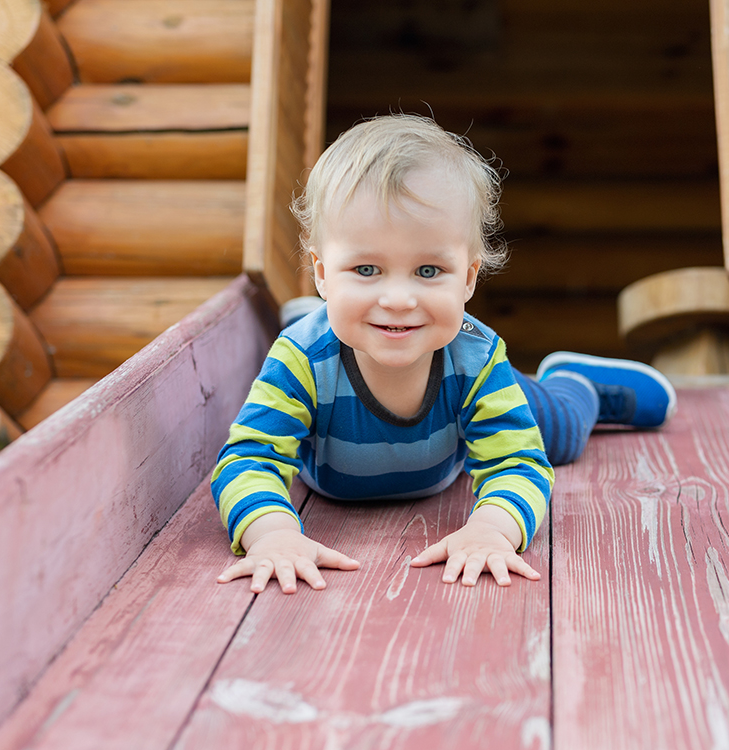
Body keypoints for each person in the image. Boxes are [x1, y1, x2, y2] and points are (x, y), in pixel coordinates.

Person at [211, 114, 676, 595]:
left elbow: (518, 462)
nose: (398, 298)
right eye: (366, 268)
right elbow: (248, 459)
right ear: (323, 272)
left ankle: (577, 384)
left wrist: (493, 529)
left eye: (428, 271)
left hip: (460, 382)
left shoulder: (477, 357)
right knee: (321, 335)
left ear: (469, 277)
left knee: (559, 434)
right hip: (338, 357)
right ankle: (310, 314)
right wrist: (273, 535)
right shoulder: (301, 361)